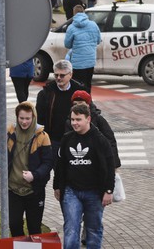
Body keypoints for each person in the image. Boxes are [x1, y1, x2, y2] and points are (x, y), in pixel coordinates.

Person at [53, 103, 115, 249]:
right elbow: (60, 164)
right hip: (71, 191)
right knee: (71, 228)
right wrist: (57, 186)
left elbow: (110, 166)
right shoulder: (67, 139)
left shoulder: (100, 140)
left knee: (93, 229)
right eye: (72, 119)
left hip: (95, 193)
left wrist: (108, 190)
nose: (74, 123)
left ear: (88, 119)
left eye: (78, 119)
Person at [0, 101, 54, 238]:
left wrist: (35, 175)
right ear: (17, 117)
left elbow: (48, 163)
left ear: (33, 117)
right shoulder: (10, 131)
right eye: (21, 118)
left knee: (34, 227)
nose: (24, 122)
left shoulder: (43, 136)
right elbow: (2, 152)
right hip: (13, 189)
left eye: (28, 118)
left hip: (34, 191)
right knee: (14, 224)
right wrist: (0, 166)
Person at [35, 59, 86, 153]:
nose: (58, 78)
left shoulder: (79, 92)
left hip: (75, 138)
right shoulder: (46, 93)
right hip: (53, 139)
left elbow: (89, 113)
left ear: (70, 75)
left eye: (62, 75)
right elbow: (40, 118)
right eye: (56, 75)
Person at [65, 4, 101, 93]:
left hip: (77, 63)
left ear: (74, 14)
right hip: (90, 61)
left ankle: (78, 104)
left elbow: (67, 45)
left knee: (77, 86)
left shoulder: (71, 27)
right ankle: (88, 104)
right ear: (84, 12)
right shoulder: (93, 25)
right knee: (88, 84)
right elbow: (98, 40)